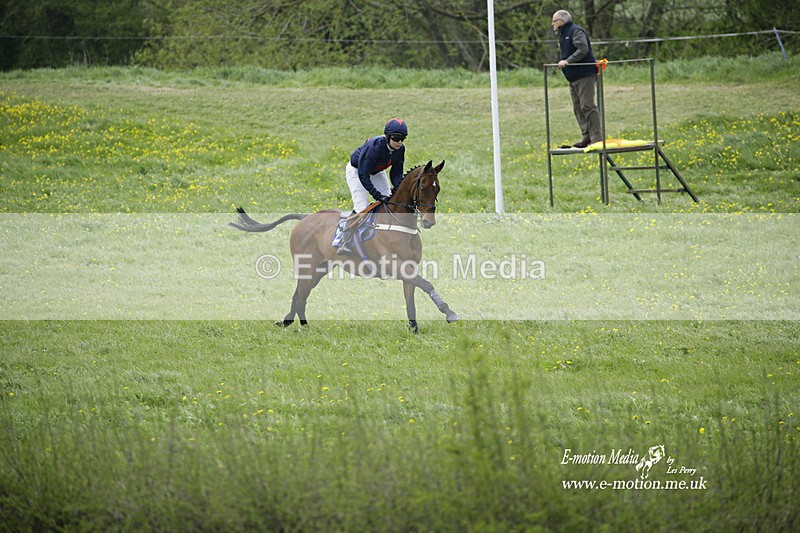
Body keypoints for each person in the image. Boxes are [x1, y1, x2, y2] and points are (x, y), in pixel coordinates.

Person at [337, 117, 408, 254]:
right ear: (387, 137)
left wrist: (398, 190)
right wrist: (376, 195)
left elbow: (396, 173)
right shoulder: (373, 146)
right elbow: (363, 175)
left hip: (376, 172)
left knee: (389, 202)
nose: (399, 142)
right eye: (396, 138)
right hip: (357, 171)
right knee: (361, 207)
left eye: (402, 139)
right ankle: (344, 239)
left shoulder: (400, 150)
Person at [552, 10, 602, 148]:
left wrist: (567, 61)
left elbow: (583, 49)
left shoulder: (576, 31)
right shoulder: (562, 35)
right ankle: (586, 136)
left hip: (585, 74)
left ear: (561, 21)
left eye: (554, 21)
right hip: (573, 77)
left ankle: (597, 137)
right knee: (578, 108)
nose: (553, 24)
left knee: (587, 105)